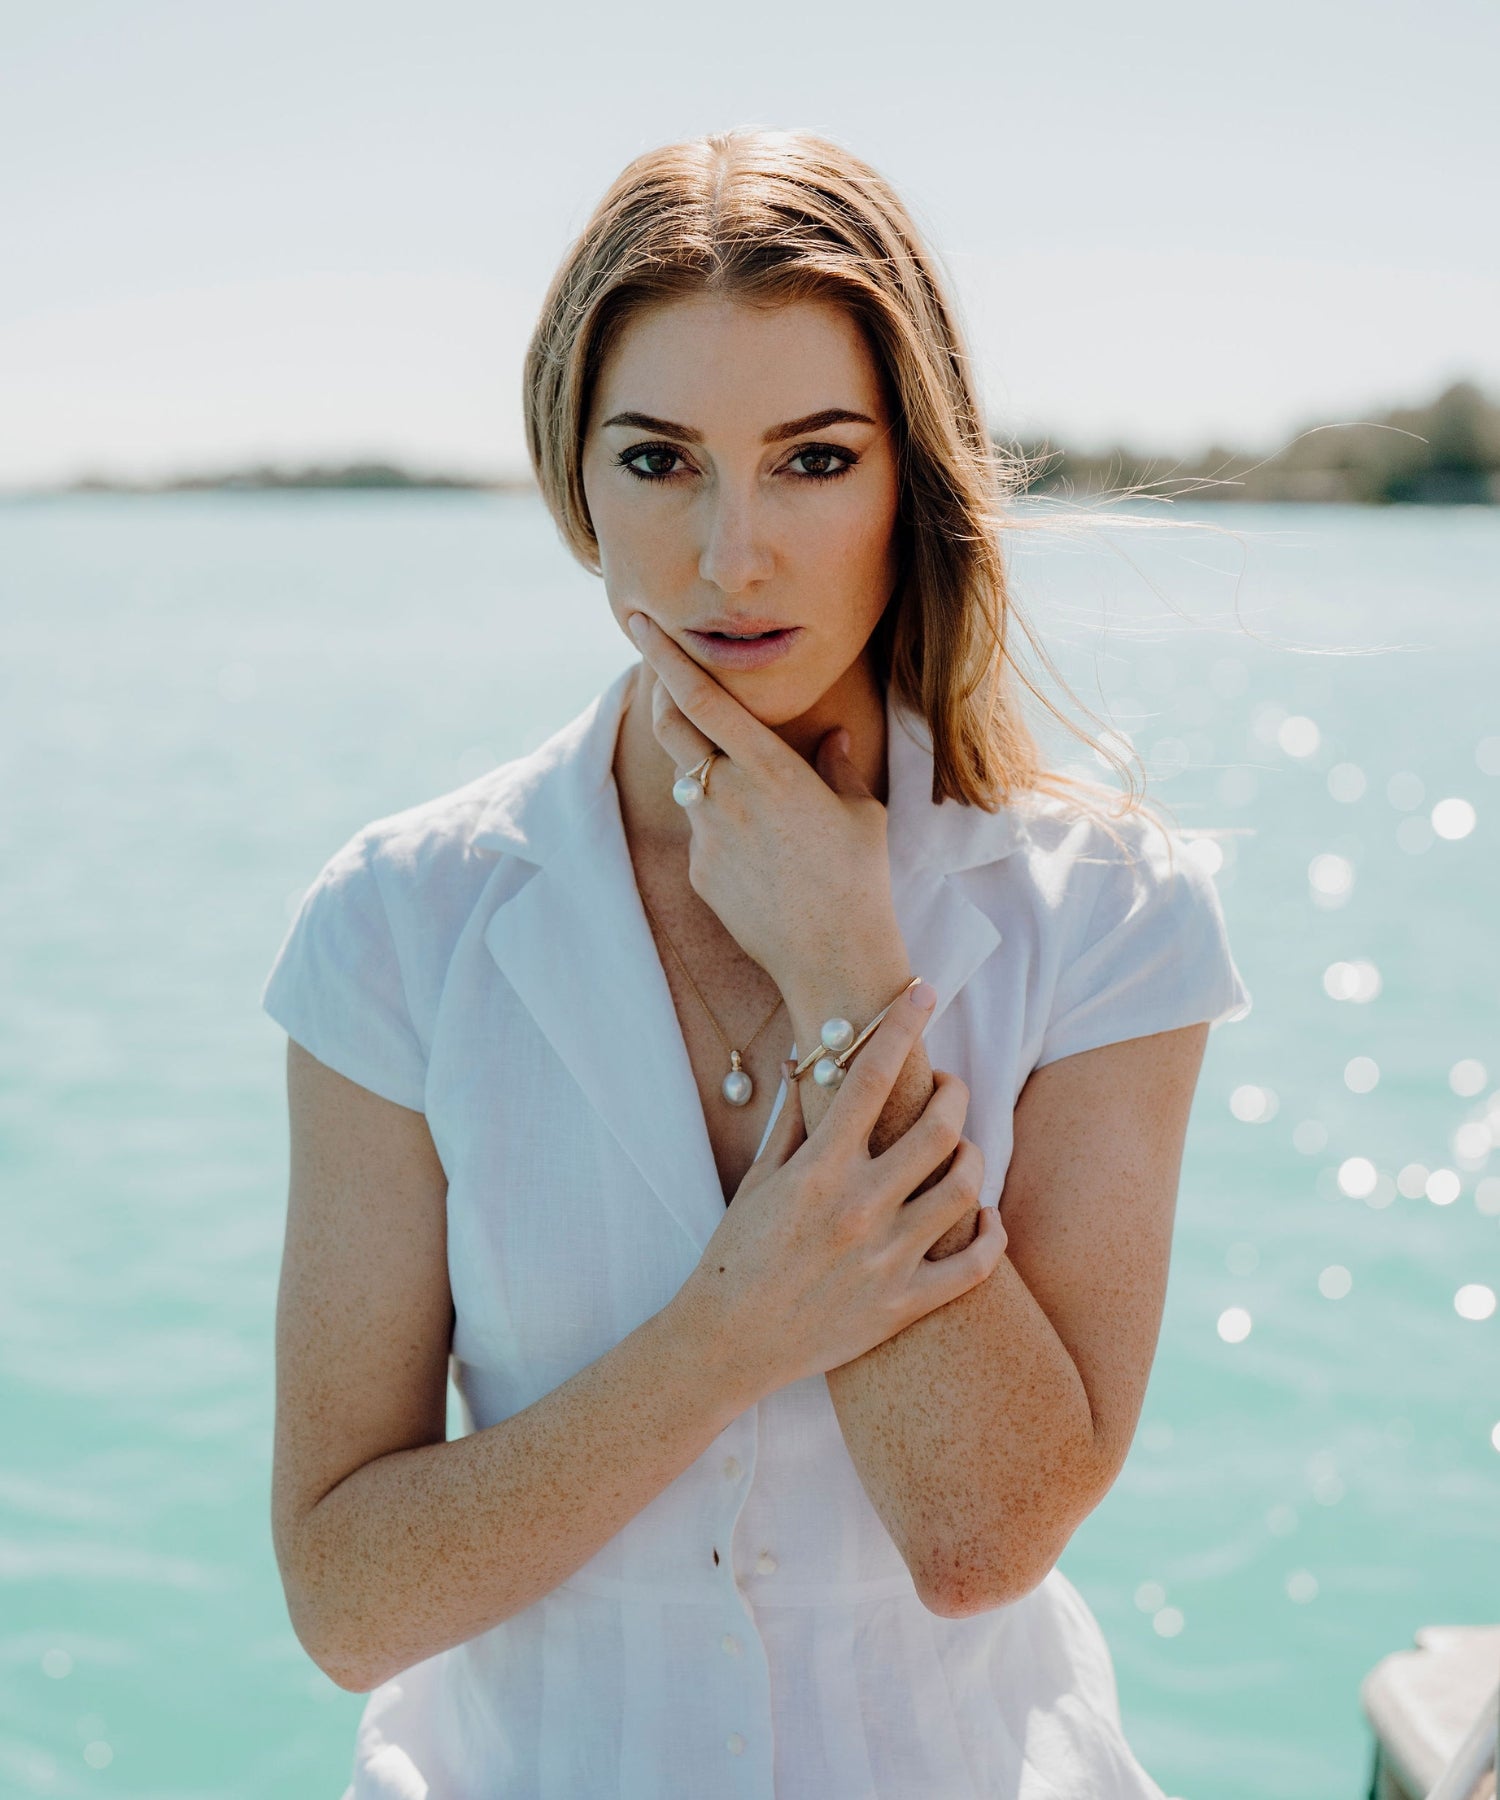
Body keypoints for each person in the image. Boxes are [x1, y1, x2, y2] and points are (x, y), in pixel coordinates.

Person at [262, 128, 1252, 1799]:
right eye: (660, 462)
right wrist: (726, 1335)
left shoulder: (1107, 911)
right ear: (573, 480)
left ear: (909, 482)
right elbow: (346, 1604)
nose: (734, 555)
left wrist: (847, 974)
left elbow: (984, 1535)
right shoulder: (399, 924)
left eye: (812, 460)